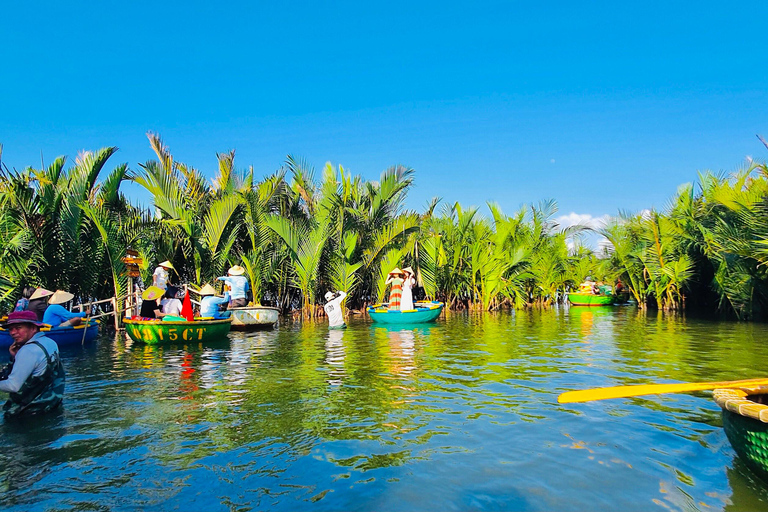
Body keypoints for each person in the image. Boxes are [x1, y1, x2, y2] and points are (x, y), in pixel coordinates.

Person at [0, 310, 65, 418]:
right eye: (11, 329)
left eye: (18, 328)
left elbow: (13, 386)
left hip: (28, 413)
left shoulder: (28, 350)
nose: (13, 332)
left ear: (33, 328)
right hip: (52, 405)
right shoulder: (50, 342)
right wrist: (14, 357)